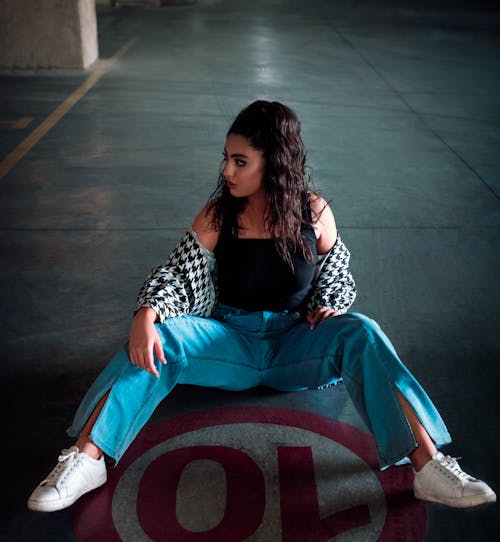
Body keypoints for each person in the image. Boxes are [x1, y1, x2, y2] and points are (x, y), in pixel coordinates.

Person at [28, 100, 495, 513]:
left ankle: (428, 467)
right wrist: (146, 314)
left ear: (273, 164)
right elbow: (177, 272)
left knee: (364, 331)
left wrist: (330, 303)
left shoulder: (313, 212)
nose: (227, 172)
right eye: (227, 159)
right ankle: (87, 460)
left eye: (240, 161)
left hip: (296, 345)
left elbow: (338, 270)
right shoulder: (219, 214)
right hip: (228, 342)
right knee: (161, 337)